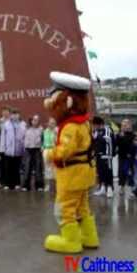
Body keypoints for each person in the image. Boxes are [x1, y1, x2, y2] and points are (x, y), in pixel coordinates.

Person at [42, 71, 99, 253]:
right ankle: (89, 237)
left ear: (68, 102)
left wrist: (48, 153)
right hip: (85, 172)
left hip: (72, 175)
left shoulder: (70, 127)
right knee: (82, 206)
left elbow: (64, 152)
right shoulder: (85, 123)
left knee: (64, 209)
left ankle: (71, 241)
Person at [0, 108, 25, 190]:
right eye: (13, 114)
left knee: (16, 168)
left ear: (19, 115)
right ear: (11, 115)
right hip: (8, 149)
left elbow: (24, 137)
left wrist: (24, 148)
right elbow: (3, 137)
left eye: (16, 114)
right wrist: (2, 149)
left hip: (18, 150)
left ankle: (17, 183)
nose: (15, 116)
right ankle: (7, 184)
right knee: (8, 167)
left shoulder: (22, 124)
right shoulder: (6, 124)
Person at [92, 116, 116, 198]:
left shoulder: (108, 130)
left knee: (108, 172)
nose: (94, 127)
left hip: (106, 155)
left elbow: (108, 140)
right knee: (100, 172)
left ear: (99, 124)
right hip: (98, 155)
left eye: (95, 125)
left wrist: (98, 137)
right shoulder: (96, 131)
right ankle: (102, 187)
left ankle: (109, 188)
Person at [22, 115, 44, 192]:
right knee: (27, 168)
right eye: (34, 120)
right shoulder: (27, 129)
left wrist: (42, 147)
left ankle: (39, 186)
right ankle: (26, 186)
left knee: (38, 168)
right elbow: (23, 139)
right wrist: (25, 147)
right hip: (28, 150)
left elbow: (43, 140)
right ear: (31, 121)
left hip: (37, 150)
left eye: (37, 120)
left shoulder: (41, 130)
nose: (35, 122)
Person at [116, 119, 136, 195]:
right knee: (121, 172)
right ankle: (122, 187)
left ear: (129, 125)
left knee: (130, 173)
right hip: (121, 156)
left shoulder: (133, 135)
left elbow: (133, 146)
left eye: (125, 125)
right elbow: (117, 144)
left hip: (130, 157)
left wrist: (131, 154)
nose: (123, 127)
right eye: (122, 125)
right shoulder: (119, 134)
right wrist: (119, 137)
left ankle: (131, 189)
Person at [0, 106, 11, 187]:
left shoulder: (12, 121)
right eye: (3, 111)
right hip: (1, 146)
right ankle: (0, 181)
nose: (5, 113)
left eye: (6, 111)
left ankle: (8, 182)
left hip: (10, 146)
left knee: (9, 164)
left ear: (9, 112)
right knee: (1, 164)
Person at [42, 117, 57, 192]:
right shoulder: (45, 131)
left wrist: (56, 134)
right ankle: (47, 185)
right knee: (47, 168)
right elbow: (43, 141)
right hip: (47, 150)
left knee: (55, 168)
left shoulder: (57, 131)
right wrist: (42, 148)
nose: (51, 124)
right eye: (50, 123)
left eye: (53, 123)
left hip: (55, 150)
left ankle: (56, 185)